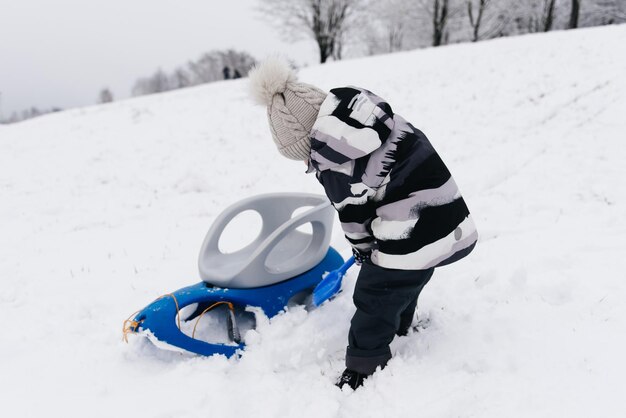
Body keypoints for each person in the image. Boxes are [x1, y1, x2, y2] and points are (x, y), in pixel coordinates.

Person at [249, 57, 477, 390]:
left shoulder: (335, 166)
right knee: (405, 277)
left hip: (412, 232)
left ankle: (364, 363)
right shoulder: (376, 122)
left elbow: (355, 217)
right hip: (447, 217)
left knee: (375, 291)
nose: (307, 163)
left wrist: (363, 251)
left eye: (303, 155)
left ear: (310, 143)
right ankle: (400, 325)